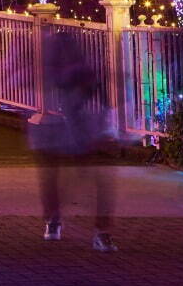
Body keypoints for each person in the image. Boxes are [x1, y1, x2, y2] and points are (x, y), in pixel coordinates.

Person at [31, 29, 118, 251]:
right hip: (67, 128)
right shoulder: (81, 71)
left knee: (58, 176)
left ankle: (56, 221)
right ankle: (99, 231)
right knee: (89, 178)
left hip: (66, 128)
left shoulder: (65, 72)